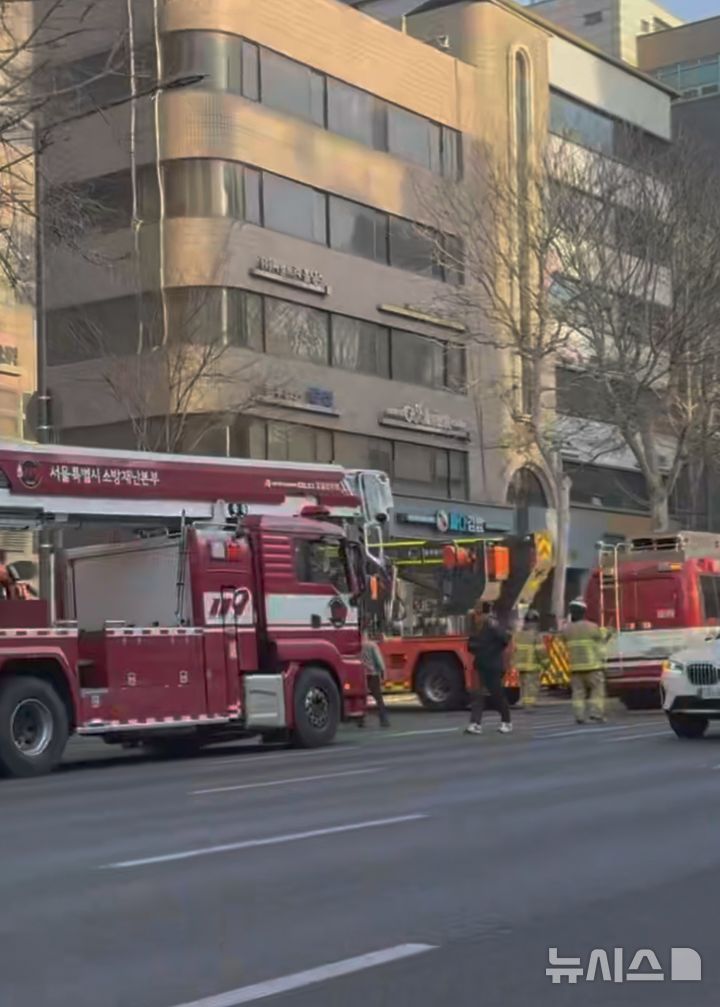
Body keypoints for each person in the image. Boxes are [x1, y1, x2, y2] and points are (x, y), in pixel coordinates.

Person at [465, 601, 512, 735]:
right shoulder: (475, 627)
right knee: (477, 695)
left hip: (493, 665)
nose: (476, 616)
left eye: (479, 613)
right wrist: (475, 647)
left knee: (497, 695)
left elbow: (505, 638)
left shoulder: (492, 625)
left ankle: (507, 722)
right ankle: (475, 724)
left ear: (486, 613)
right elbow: (471, 643)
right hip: (480, 664)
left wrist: (491, 651)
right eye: (476, 613)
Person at [561, 598, 608, 724]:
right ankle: (596, 714)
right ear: (584, 612)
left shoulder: (566, 629)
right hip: (593, 666)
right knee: (597, 691)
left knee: (577, 693)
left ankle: (579, 716)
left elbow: (563, 641)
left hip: (575, 667)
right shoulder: (592, 627)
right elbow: (602, 638)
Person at [514, 609, 549, 712]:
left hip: (521, 666)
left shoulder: (519, 635)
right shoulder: (535, 636)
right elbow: (541, 652)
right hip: (532, 666)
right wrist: (546, 664)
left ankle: (523, 702)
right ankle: (529, 705)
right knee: (531, 686)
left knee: (524, 685)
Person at [359, 634, 391, 728]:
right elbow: (378, 660)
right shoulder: (372, 645)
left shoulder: (357, 646)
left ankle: (361, 720)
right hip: (373, 674)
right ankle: (384, 720)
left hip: (361, 675)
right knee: (378, 698)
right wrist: (383, 671)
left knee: (363, 698)